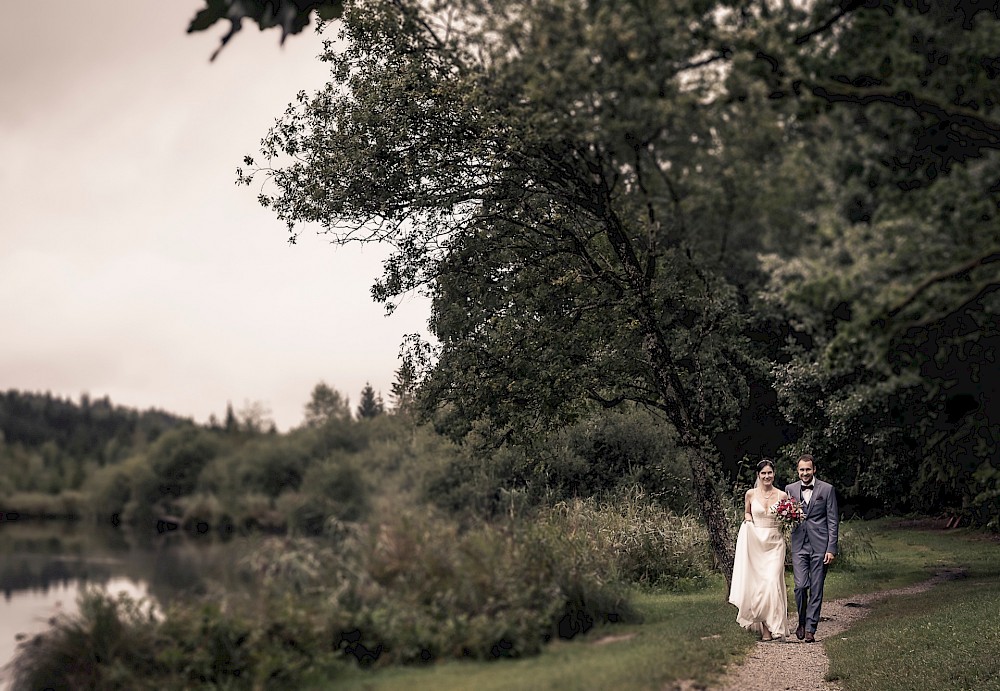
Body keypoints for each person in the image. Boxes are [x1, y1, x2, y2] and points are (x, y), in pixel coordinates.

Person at [728, 459, 790, 641]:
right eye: (763, 473)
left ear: (774, 474)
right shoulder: (750, 494)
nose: (767, 476)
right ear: (758, 475)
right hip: (756, 542)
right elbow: (747, 512)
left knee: (772, 582)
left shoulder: (782, 496)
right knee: (759, 586)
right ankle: (766, 629)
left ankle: (776, 625)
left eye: (769, 473)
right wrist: (748, 521)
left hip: (775, 543)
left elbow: (787, 519)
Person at [787, 453, 839, 643]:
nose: (805, 473)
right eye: (802, 470)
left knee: (816, 587)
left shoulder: (827, 489)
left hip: (820, 545)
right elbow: (786, 516)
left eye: (808, 469)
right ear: (798, 471)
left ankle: (811, 628)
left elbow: (833, 521)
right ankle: (801, 621)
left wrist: (831, 548)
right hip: (799, 544)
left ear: (814, 469)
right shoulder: (790, 489)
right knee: (800, 586)